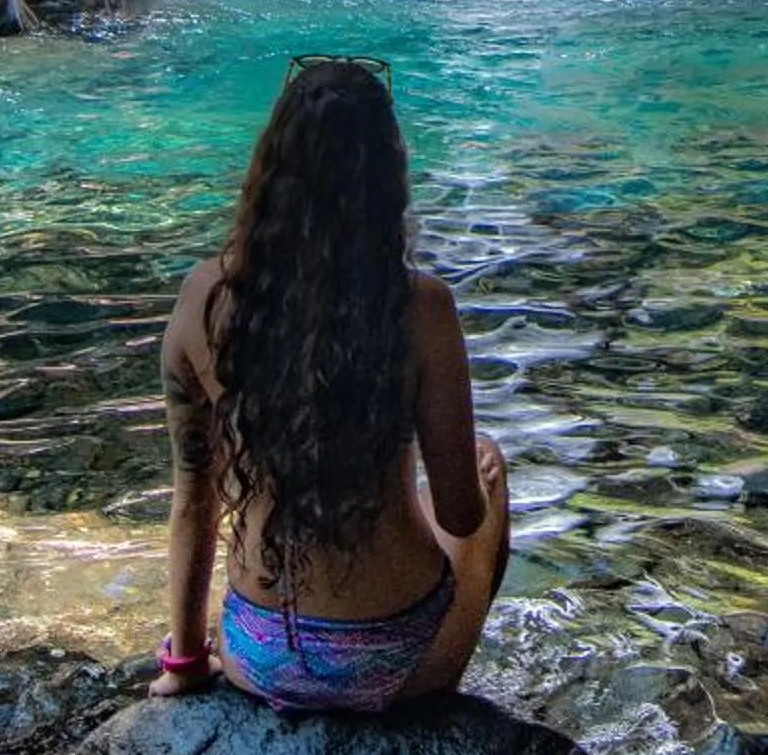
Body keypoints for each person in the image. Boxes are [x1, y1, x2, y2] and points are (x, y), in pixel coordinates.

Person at [151, 56, 509, 711]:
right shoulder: (420, 308)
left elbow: (191, 504)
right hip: (393, 661)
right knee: (488, 475)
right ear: (386, 179)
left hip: (253, 654)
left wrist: (185, 662)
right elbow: (460, 513)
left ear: (271, 171)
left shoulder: (203, 300)